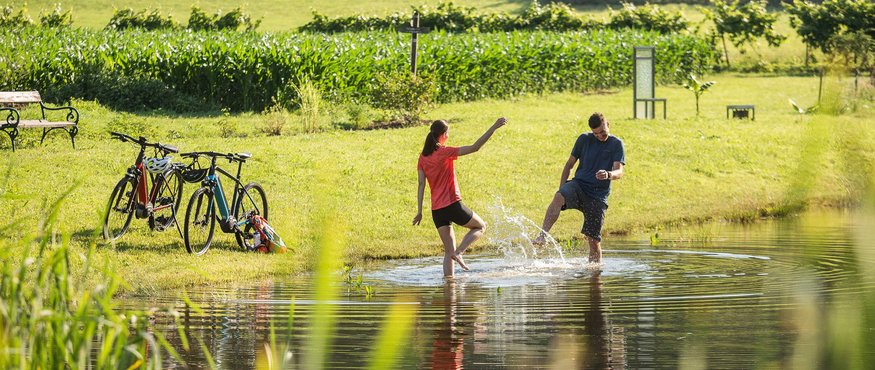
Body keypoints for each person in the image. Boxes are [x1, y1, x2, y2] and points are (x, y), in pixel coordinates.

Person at [414, 117, 508, 277]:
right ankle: (460, 252)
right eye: (448, 133)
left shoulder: (423, 158)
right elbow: (475, 147)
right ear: (443, 134)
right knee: (480, 226)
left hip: (437, 211)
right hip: (452, 204)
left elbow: (421, 184)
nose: (448, 135)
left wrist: (419, 211)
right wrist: (493, 127)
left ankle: (449, 287)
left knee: (447, 251)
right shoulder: (444, 152)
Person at [533, 112, 624, 263]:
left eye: (602, 132)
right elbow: (569, 164)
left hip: (598, 196)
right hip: (579, 186)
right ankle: (542, 236)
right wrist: (561, 189)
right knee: (558, 197)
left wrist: (608, 174)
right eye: (596, 134)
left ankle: (595, 274)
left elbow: (619, 171)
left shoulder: (616, 144)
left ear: (608, 125)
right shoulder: (584, 139)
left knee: (593, 241)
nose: (600, 136)